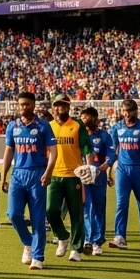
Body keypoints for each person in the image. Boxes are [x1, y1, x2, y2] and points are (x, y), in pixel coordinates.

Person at [1, 91, 56, 270]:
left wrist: (48, 171)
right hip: (18, 174)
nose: (23, 107)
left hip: (37, 173)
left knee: (37, 217)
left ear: (33, 105)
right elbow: (9, 151)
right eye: (21, 104)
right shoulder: (12, 126)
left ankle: (38, 257)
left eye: (26, 104)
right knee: (13, 214)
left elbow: (54, 152)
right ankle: (29, 243)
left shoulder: (44, 126)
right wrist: (3, 176)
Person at [47, 93, 94, 262]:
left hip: (74, 176)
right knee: (51, 211)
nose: (61, 109)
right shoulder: (49, 126)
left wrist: (89, 165)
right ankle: (62, 237)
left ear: (69, 107)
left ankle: (76, 249)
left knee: (76, 214)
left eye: (64, 105)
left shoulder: (77, 125)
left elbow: (87, 146)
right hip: (54, 175)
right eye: (58, 105)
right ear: (54, 107)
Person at [110, 97, 140, 249]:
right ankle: (120, 237)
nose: (126, 114)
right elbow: (113, 151)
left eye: (129, 111)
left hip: (139, 169)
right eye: (124, 110)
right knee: (121, 204)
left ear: (135, 111)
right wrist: (108, 171)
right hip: (123, 170)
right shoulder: (117, 127)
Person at [81, 106, 116, 256]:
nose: (84, 121)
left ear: (95, 119)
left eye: (86, 118)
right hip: (82, 176)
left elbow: (112, 154)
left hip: (99, 176)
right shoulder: (79, 136)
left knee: (98, 209)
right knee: (86, 208)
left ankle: (98, 241)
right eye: (82, 118)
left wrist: (106, 166)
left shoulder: (103, 136)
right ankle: (88, 239)